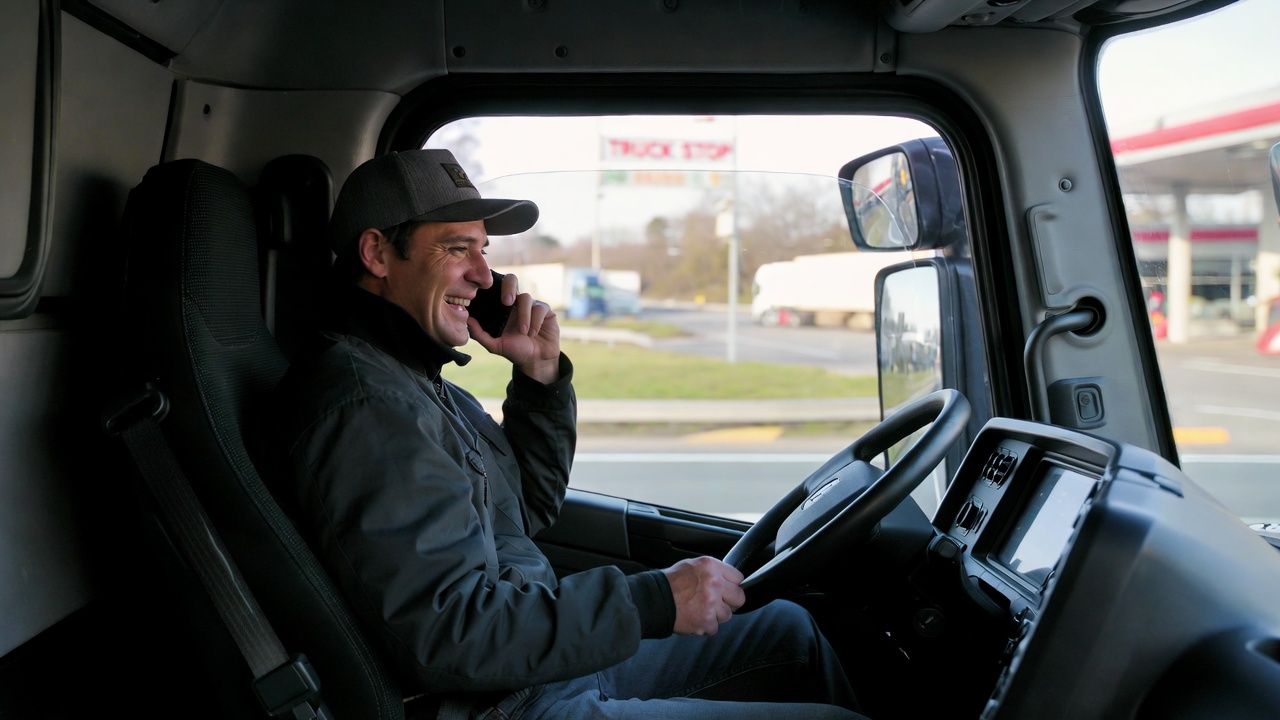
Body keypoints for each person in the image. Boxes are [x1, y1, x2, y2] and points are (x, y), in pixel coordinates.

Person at [270, 148, 865, 719]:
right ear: (377, 253)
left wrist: (540, 378)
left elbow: (525, 509)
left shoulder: (417, 381)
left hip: (531, 670)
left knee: (789, 633)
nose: (484, 274)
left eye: (483, 250)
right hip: (500, 703)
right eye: (457, 249)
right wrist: (654, 600)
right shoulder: (370, 408)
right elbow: (452, 634)